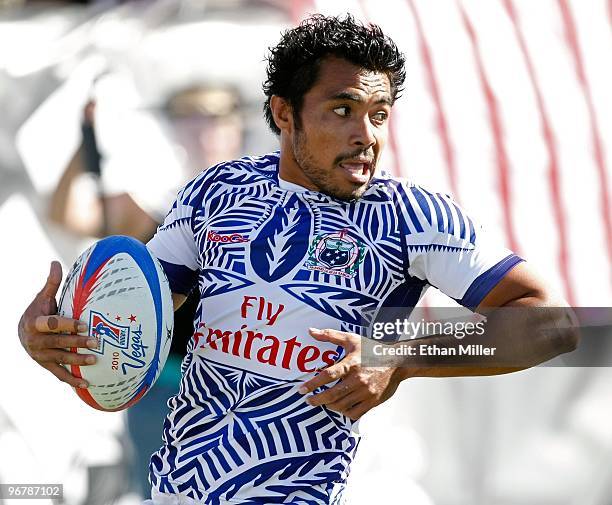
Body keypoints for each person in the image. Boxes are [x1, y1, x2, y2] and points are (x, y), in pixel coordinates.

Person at [18, 14, 579, 505]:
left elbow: (551, 323)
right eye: (343, 110)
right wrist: (58, 337)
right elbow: (137, 321)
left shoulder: (415, 217)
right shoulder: (216, 192)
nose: (367, 136)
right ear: (284, 113)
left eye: (379, 114)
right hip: (175, 490)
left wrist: (400, 356)